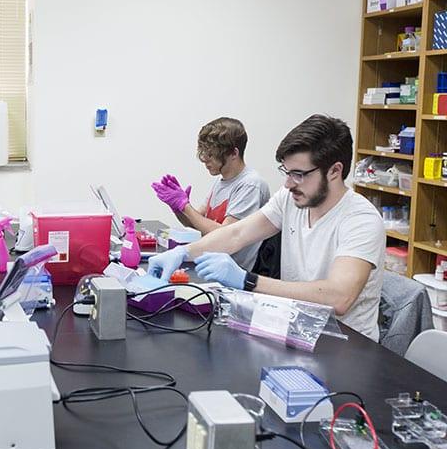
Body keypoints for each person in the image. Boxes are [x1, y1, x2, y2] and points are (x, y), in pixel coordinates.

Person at [148, 115, 385, 341]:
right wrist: (183, 253)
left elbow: (339, 298)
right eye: (287, 171)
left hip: (345, 344)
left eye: (299, 174)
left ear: (335, 171)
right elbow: (236, 233)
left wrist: (248, 281)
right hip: (298, 328)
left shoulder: (360, 220)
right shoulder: (291, 198)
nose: (288, 183)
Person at [151, 117, 270, 270]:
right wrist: (177, 207)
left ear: (234, 153)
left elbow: (225, 235)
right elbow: (195, 224)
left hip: (232, 273)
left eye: (212, 154)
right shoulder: (222, 181)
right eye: (204, 153)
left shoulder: (250, 184)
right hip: (210, 262)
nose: (205, 160)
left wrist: (185, 206)